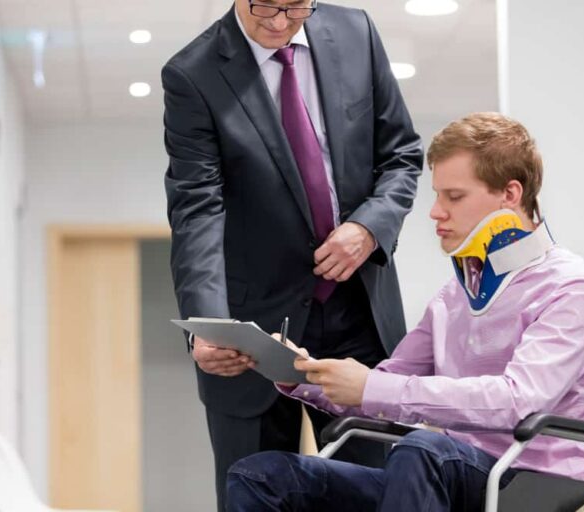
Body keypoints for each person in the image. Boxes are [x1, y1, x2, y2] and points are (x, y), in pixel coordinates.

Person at [225, 112, 584, 511]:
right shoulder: (454, 296)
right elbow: (386, 383)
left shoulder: (570, 286)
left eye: (454, 196)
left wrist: (375, 388)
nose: (435, 212)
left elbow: (517, 401)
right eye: (437, 195)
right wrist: (300, 374)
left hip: (538, 485)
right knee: (262, 477)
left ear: (510, 195)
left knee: (422, 450)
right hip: (447, 474)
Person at [162, 0, 423, 508]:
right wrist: (209, 326)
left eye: (296, 7)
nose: (281, 22)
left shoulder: (355, 32)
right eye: (265, 7)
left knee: (375, 496)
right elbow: (198, 212)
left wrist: (369, 227)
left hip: (359, 322)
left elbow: (401, 156)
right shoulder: (192, 75)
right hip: (254, 338)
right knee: (257, 494)